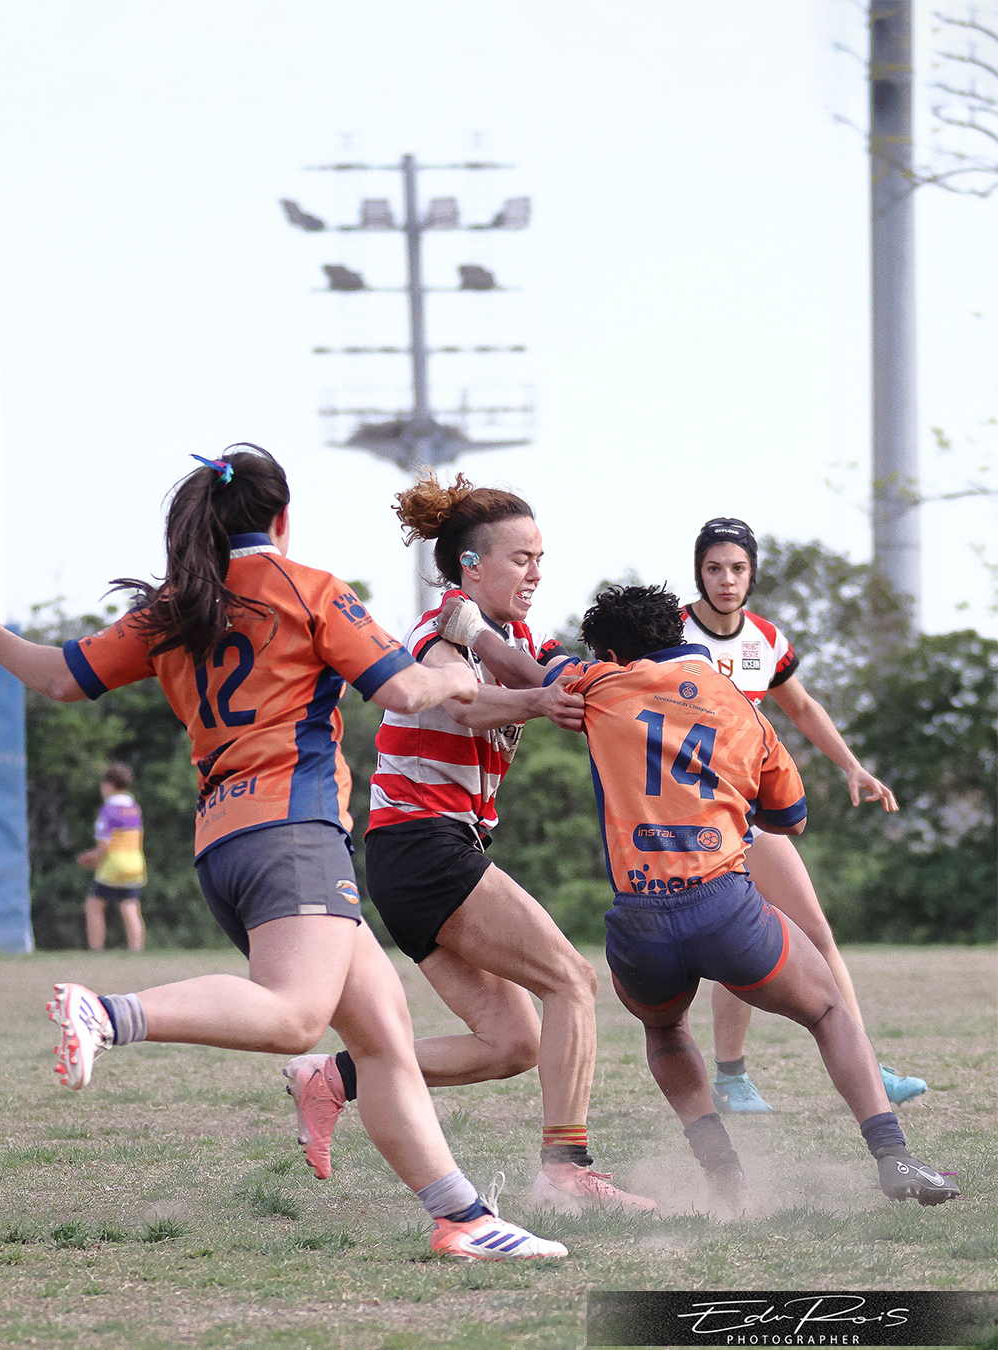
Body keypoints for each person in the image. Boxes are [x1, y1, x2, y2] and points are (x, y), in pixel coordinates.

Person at [0, 445, 566, 1262]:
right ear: (282, 518)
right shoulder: (308, 589)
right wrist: (456, 681)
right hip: (292, 832)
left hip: (224, 844)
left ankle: (463, 1218)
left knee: (381, 1035)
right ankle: (108, 1015)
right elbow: (405, 689)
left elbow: (61, 677)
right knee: (295, 1015)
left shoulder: (180, 606)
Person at [449, 583, 959, 1211]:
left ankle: (724, 1175)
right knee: (828, 1009)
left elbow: (529, 672)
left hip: (638, 920)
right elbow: (791, 817)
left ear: (612, 653)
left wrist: (471, 628)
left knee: (665, 1031)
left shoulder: (601, 684)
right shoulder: (741, 705)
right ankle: (893, 1156)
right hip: (723, 906)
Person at [284, 472, 655, 1215]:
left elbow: (553, 675)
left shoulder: (511, 638)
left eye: (540, 558)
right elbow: (467, 702)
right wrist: (536, 698)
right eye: (520, 558)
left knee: (512, 1043)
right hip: (423, 845)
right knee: (572, 980)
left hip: (426, 856)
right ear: (471, 567)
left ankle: (333, 1078)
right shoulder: (436, 633)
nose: (536, 572)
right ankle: (567, 1171)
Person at [683, 518, 926, 1113]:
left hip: (746, 812)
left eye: (737, 568)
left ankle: (866, 1065)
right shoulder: (672, 632)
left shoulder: (764, 638)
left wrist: (852, 766)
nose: (726, 579)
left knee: (816, 932)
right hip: (690, 816)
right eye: (714, 567)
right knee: (729, 938)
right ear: (699, 572)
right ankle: (731, 1078)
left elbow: (802, 706)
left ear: (752, 574)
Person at [78, 762, 147, 951]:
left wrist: (91, 858)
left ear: (109, 784)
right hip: (135, 863)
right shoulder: (134, 807)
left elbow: (104, 845)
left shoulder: (109, 809)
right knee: (130, 906)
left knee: (94, 904)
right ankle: (137, 951)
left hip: (114, 864)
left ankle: (96, 949)